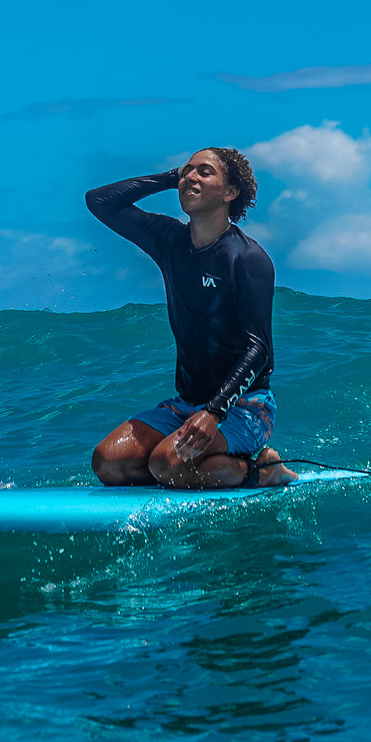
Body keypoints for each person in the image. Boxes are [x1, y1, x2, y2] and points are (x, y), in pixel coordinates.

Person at [86, 148, 292, 489]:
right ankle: (207, 466)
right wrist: (170, 177)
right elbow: (100, 201)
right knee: (108, 464)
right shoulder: (169, 240)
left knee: (166, 465)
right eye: (187, 170)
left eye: (205, 172)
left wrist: (213, 412)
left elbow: (259, 350)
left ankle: (265, 470)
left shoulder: (247, 259)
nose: (191, 177)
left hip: (245, 406)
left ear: (229, 193)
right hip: (186, 404)